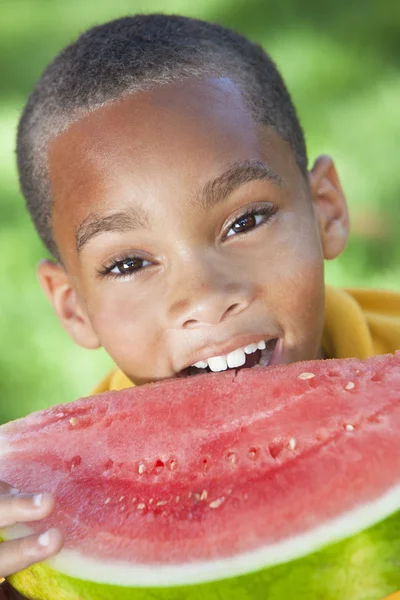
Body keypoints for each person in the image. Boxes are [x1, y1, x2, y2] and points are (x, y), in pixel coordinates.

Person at [1, 14, 399, 600]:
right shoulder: (58, 510)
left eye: (245, 221)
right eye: (129, 264)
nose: (205, 299)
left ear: (326, 212)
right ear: (73, 306)